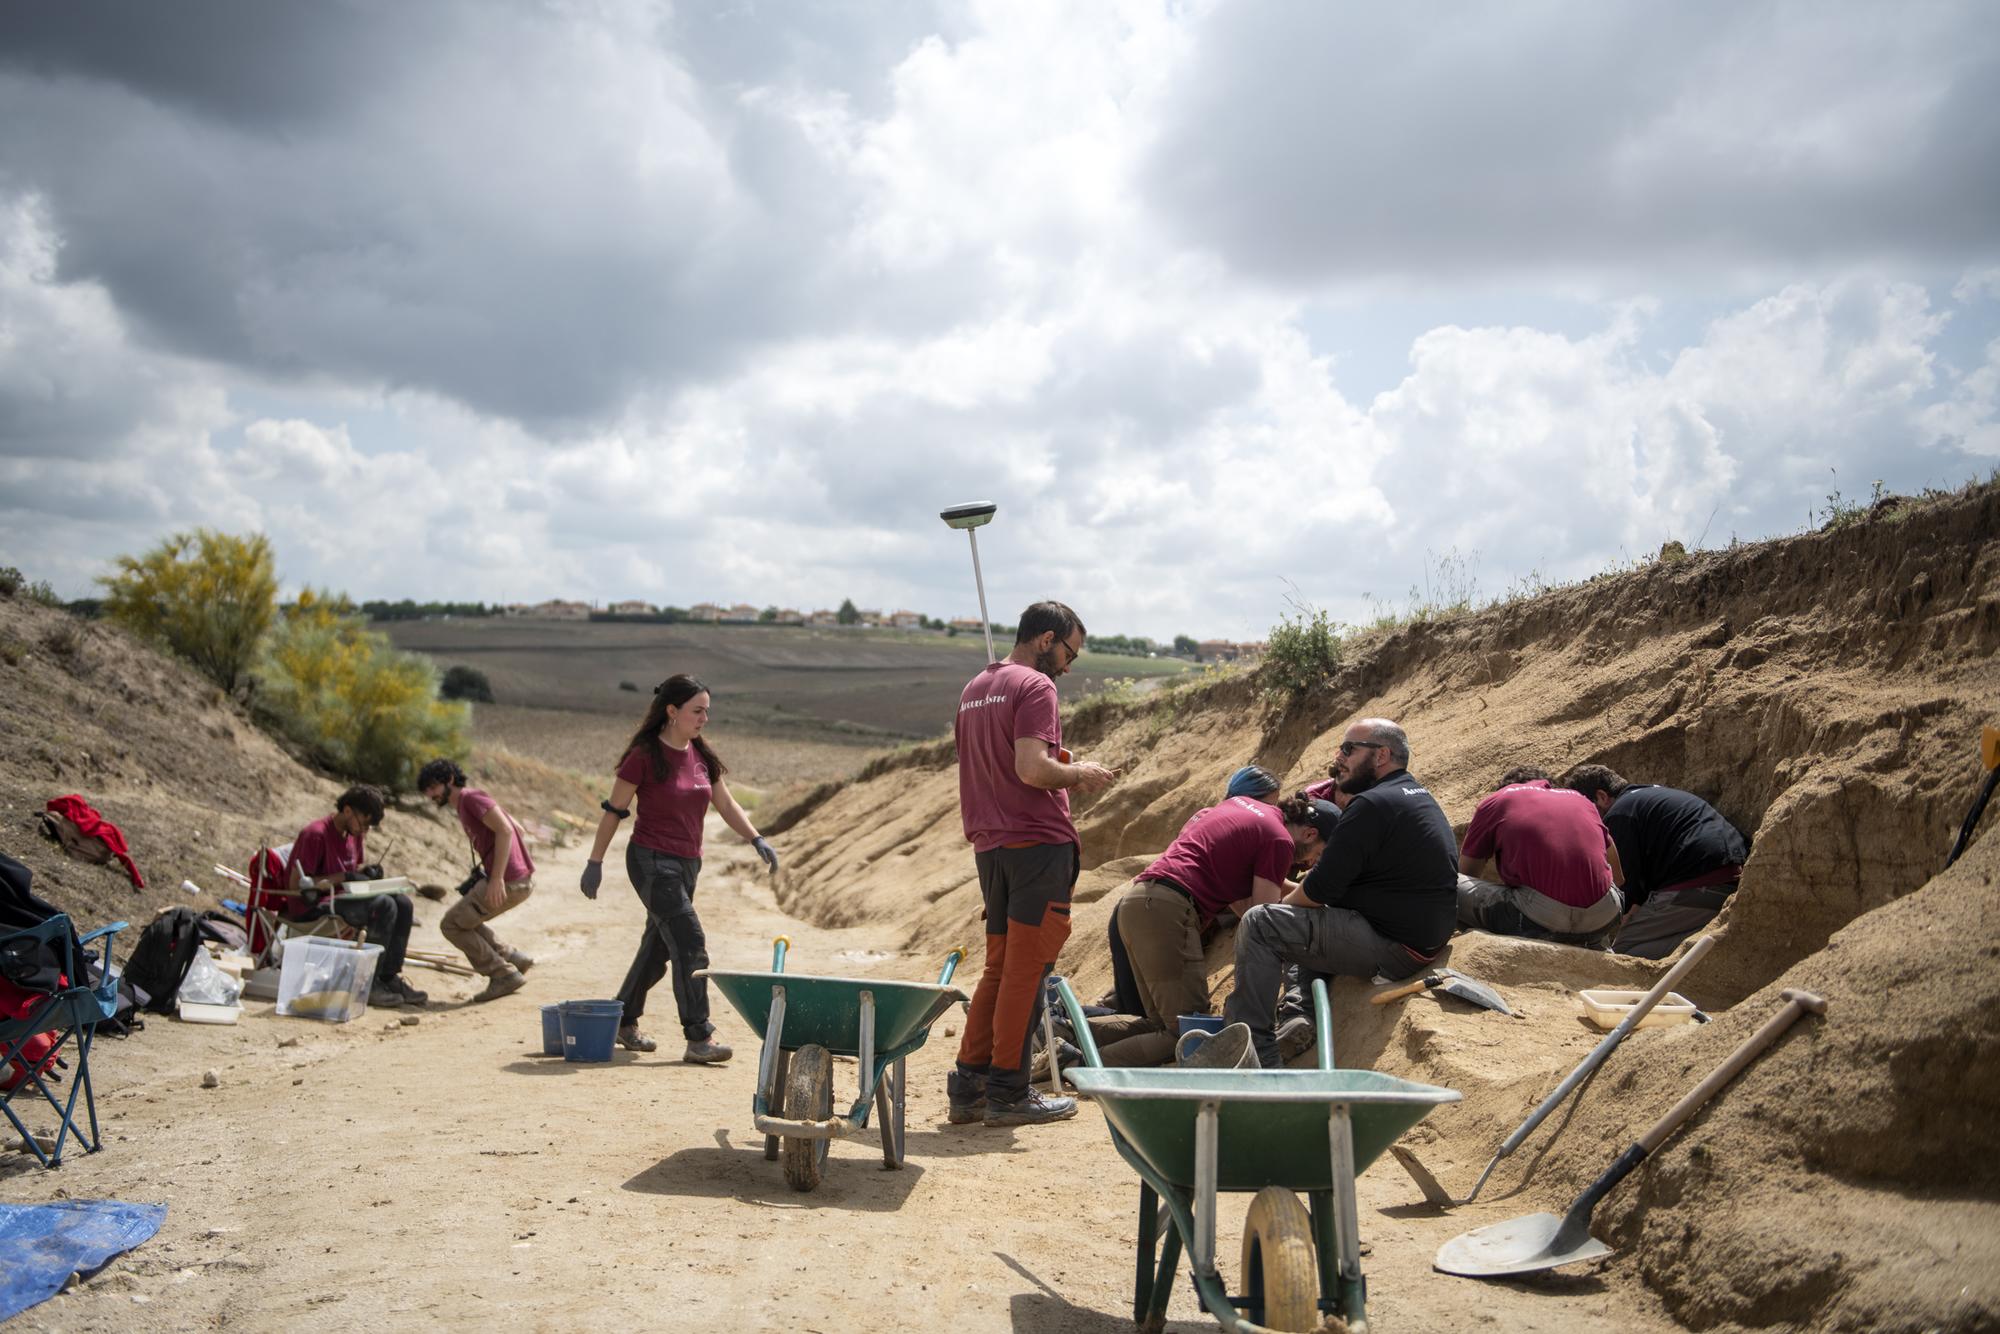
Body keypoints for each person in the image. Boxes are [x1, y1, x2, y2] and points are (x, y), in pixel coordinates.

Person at [948, 600, 1119, 1128]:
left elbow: (1001, 765)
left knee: (999, 968)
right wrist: (1079, 772)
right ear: (1046, 639)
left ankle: (970, 1086)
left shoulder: (976, 687)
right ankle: (1009, 1093)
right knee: (1027, 972)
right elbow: (1030, 768)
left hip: (991, 847)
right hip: (1037, 847)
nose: (1069, 667)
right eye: (1069, 652)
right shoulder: (1036, 687)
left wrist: (1053, 765)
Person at [1222, 718, 1456, 1068]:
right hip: (1418, 937)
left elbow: (1318, 890)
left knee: (1262, 922)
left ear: (1381, 756)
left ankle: (1253, 1053)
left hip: (1394, 946)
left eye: (1349, 749)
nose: (1339, 757)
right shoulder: (1415, 794)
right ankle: (1296, 1014)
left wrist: (1281, 911)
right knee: (1303, 924)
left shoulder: (1370, 805)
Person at [580, 674, 775, 1063]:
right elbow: (614, 812)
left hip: (689, 864)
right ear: (672, 711)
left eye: (707, 711)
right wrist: (594, 862)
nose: (704, 719)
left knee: (657, 947)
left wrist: (756, 838)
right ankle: (698, 1036)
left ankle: (622, 1018)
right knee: (689, 943)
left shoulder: (701, 755)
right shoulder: (644, 756)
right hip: (651, 862)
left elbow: (726, 804)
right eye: (697, 711)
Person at [1085, 792, 1337, 1066]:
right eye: (1319, 854)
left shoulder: (1247, 809)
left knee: (1159, 1026)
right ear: (1311, 834)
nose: (1310, 863)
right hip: (1168, 912)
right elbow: (1263, 916)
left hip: (1140, 902)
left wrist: (1310, 890)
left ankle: (1068, 1033)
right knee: (1188, 1034)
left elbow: (1244, 902)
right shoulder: (1280, 840)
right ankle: (1078, 1064)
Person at [1101, 765, 1285, 1015]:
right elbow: (1259, 914)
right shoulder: (1266, 831)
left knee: (1133, 1011)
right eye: (1272, 804)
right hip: (1165, 914)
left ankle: (1065, 1025)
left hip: (1135, 903)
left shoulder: (1208, 816)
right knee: (1181, 1024)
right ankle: (1068, 1032)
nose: (1274, 810)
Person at [1563, 765, 1750, 959]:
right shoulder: (1651, 796)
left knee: (1620, 953)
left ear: (1601, 797)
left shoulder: (1620, 813)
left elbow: (1624, 890)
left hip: (1695, 882)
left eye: (1586, 811)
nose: (1587, 821)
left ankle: (1710, 947)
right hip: (1732, 877)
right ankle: (1707, 940)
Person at [282, 785, 426, 1007]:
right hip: (313, 906)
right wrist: (344, 876)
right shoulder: (316, 834)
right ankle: (367, 983)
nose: (365, 831)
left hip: (343, 899)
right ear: (347, 811)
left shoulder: (353, 835)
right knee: (384, 906)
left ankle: (388, 976)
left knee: (403, 904)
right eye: (364, 823)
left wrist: (366, 873)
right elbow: (298, 886)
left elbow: (352, 870)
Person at [1455, 767, 1624, 949]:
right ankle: (1594, 945)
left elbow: (1467, 873)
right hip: (1606, 914)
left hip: (1540, 920)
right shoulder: (1581, 800)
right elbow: (1619, 877)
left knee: (1448, 884)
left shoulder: (1499, 800)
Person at [418, 759, 537, 1002]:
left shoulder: (471, 798)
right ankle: (513, 958)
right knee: (466, 919)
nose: (430, 795)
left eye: (433, 787)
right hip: (518, 879)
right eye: (427, 790)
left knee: (451, 925)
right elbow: (518, 829)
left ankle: (503, 974)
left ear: (449, 780)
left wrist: (497, 879)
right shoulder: (468, 802)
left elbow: (505, 830)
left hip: (510, 881)